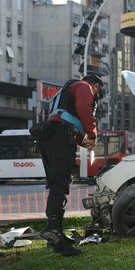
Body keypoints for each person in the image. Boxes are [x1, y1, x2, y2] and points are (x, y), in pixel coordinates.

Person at [39, 73, 104, 256]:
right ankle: (53, 231)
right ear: (96, 85)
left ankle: (55, 231)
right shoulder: (84, 86)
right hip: (59, 137)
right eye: (98, 90)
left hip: (50, 136)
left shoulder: (62, 93)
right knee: (61, 182)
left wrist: (84, 142)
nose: (96, 95)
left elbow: (67, 120)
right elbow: (84, 108)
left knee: (56, 183)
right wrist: (92, 134)